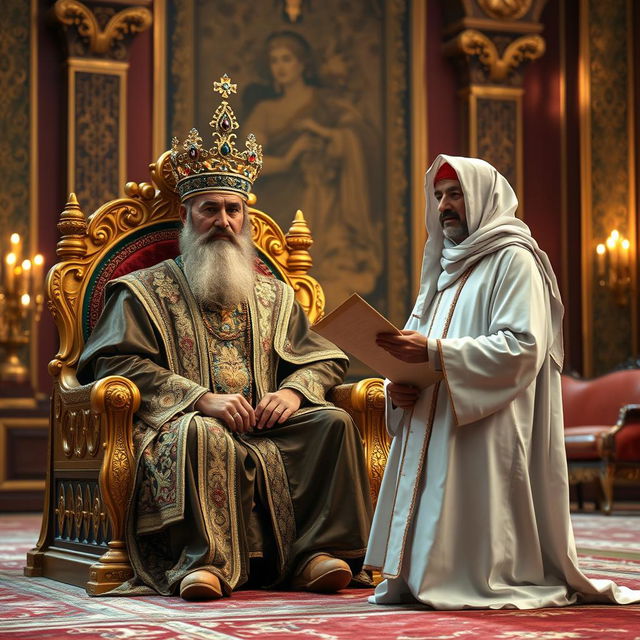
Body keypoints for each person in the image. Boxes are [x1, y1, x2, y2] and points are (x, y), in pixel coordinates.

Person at [77, 75, 372, 601]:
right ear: (188, 216)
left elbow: (325, 360)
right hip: (180, 426)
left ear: (246, 219)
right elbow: (110, 363)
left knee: (331, 421)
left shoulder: (274, 295)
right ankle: (204, 563)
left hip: (267, 426)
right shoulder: (141, 291)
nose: (223, 220)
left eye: (233, 210)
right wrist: (201, 400)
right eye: (210, 209)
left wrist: (293, 393)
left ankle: (315, 556)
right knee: (204, 436)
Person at [364, 155, 640, 609]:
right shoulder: (442, 267)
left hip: (489, 420)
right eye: (439, 196)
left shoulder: (514, 259)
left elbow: (523, 346)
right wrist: (399, 387)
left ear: (483, 197)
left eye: (455, 194)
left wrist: (435, 353)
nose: (445, 206)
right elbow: (412, 342)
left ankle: (478, 575)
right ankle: (423, 575)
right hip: (438, 413)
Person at [244, 30, 382, 309]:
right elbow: (247, 164)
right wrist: (288, 159)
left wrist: (323, 134)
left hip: (327, 206)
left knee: (326, 284)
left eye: (287, 59)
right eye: (274, 61)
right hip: (279, 208)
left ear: (302, 64)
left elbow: (359, 137)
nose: (280, 67)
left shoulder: (326, 104)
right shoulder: (266, 111)